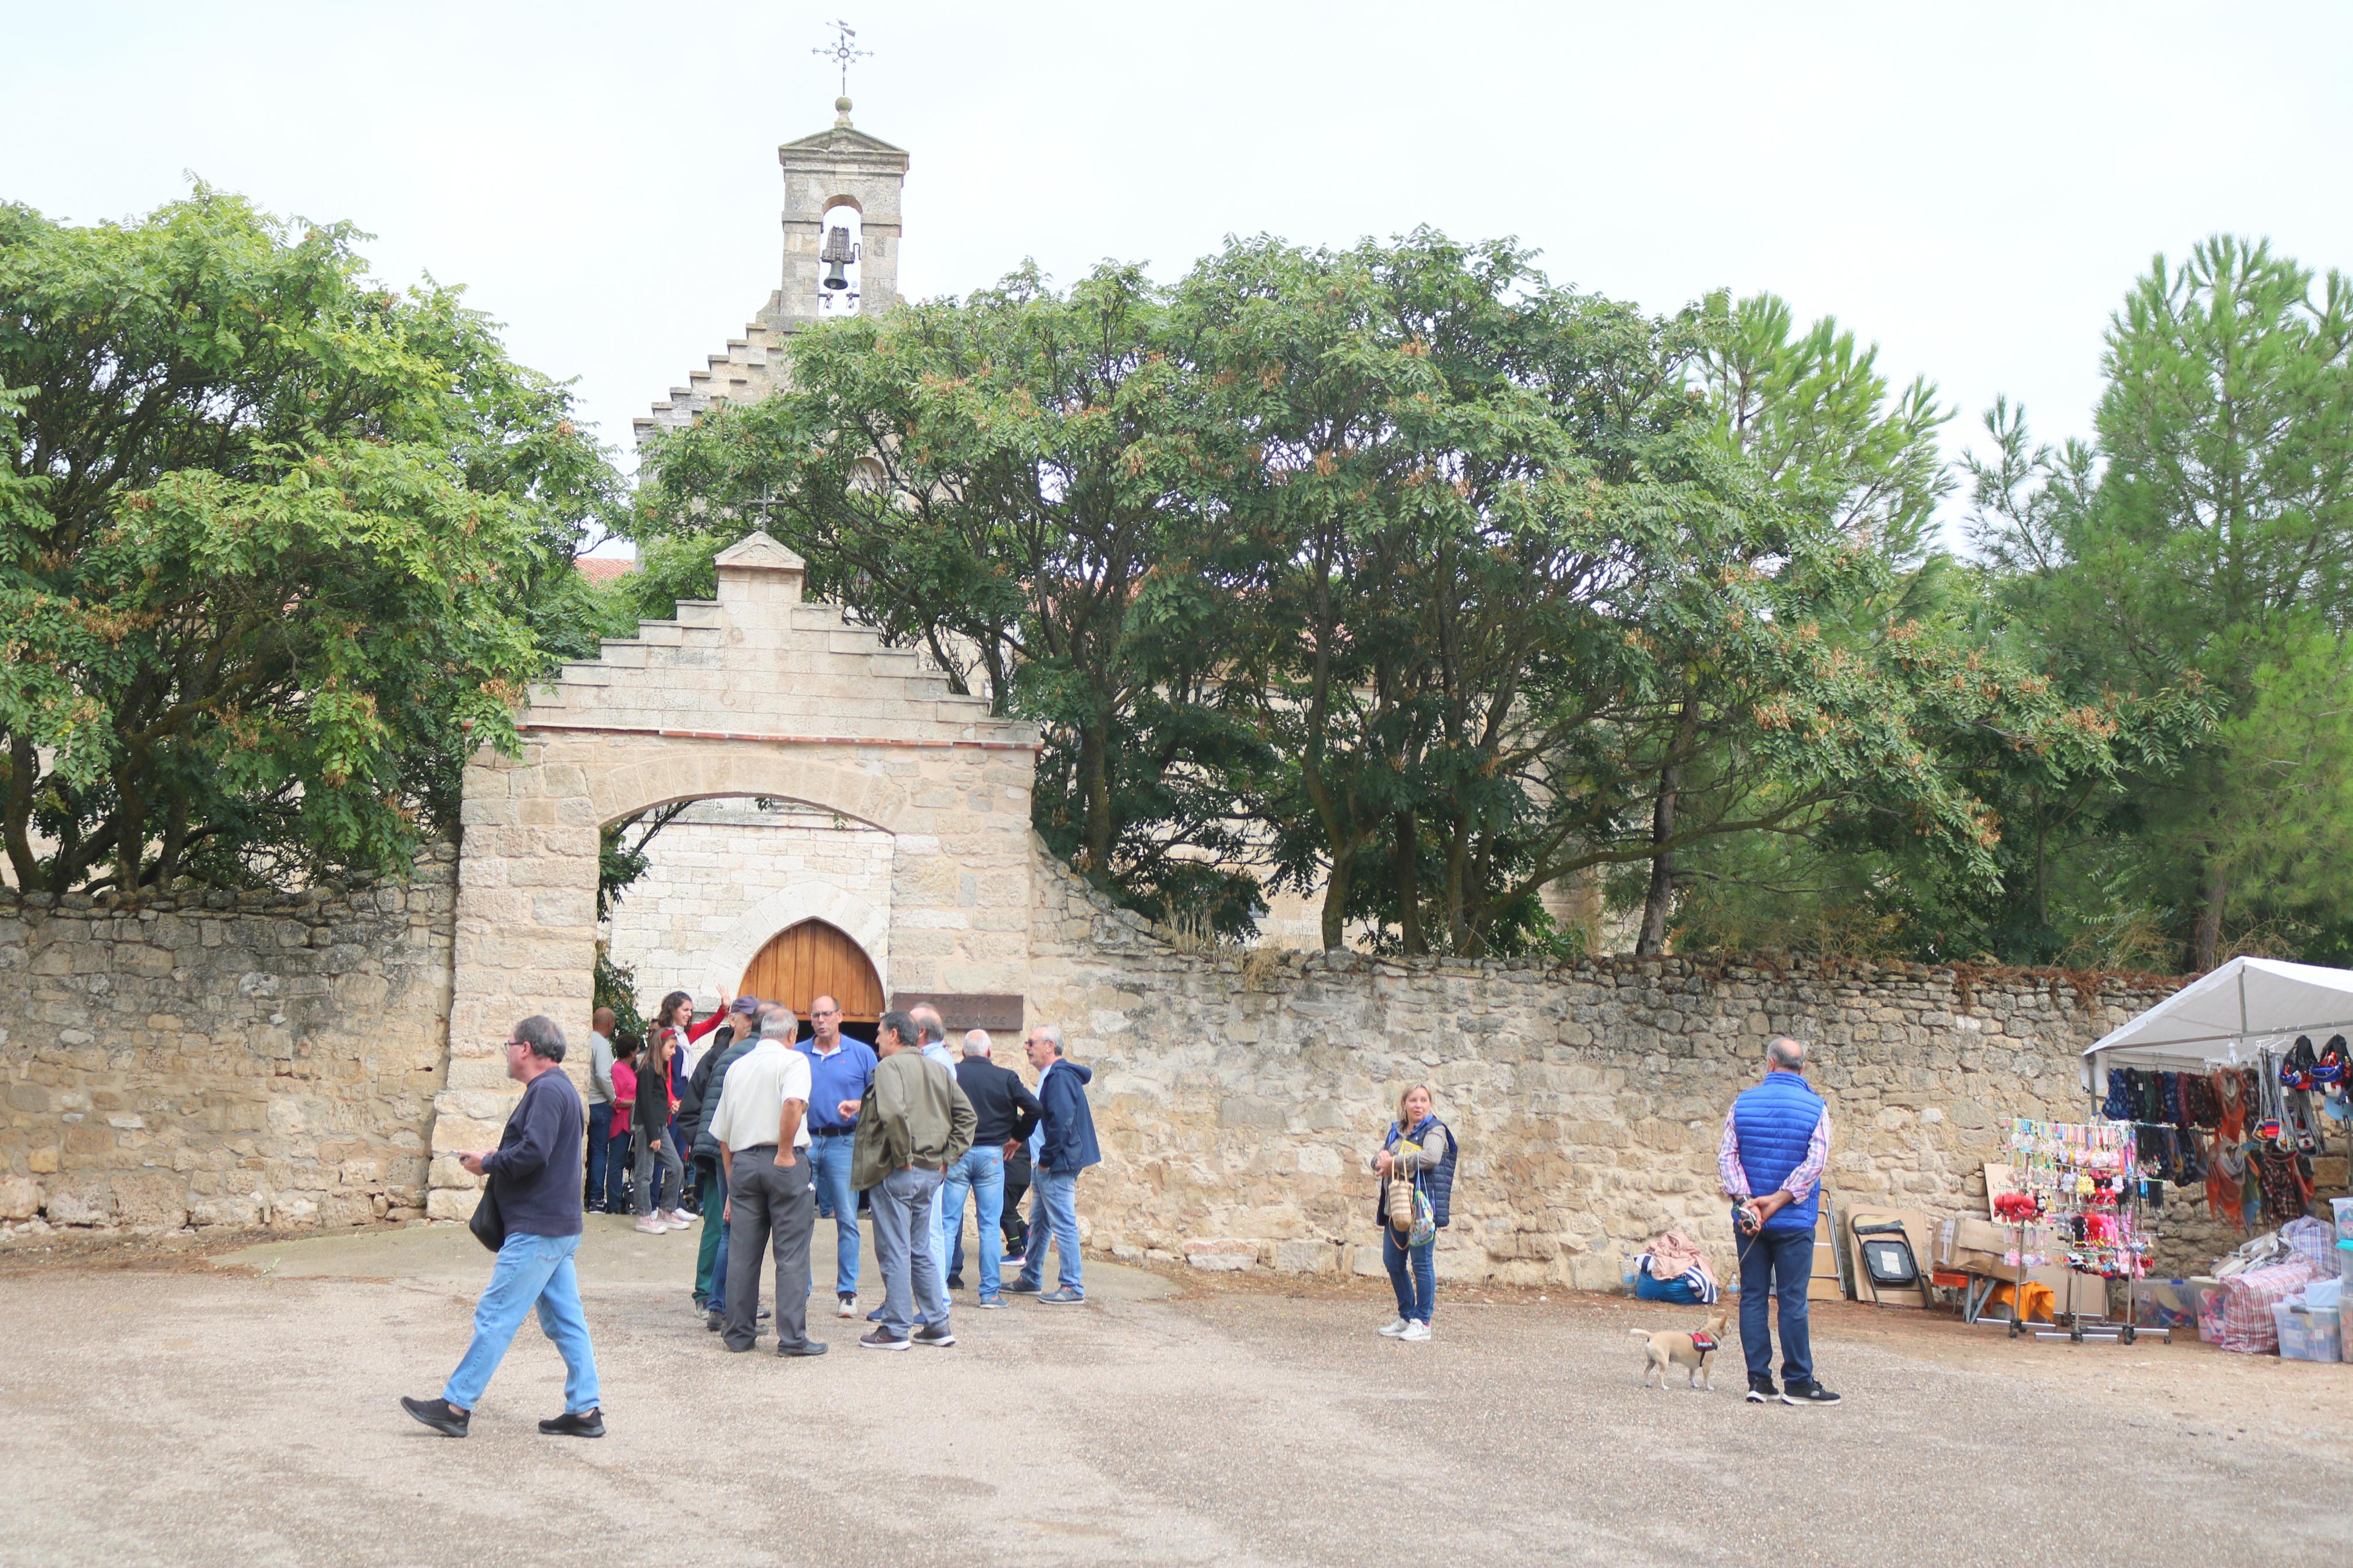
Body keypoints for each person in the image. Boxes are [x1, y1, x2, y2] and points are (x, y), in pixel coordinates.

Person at [402, 1015, 602, 1439]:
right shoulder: (559, 1088)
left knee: (496, 1315)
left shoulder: (547, 1090)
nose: (507, 1052)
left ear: (526, 1048)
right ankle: (585, 1410)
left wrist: (488, 1162)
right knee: (566, 1321)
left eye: (509, 1044)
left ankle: (456, 1406)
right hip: (557, 1226)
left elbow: (534, 1153)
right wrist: (498, 1153)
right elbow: (537, 1151)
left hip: (538, 1229)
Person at [842, 1009, 974, 1349]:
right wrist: (947, 1159)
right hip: (931, 1172)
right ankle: (937, 1324)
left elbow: (893, 1113)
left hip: (900, 1170)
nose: (876, 1039)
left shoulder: (889, 1067)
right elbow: (967, 1117)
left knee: (895, 1249)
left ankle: (896, 1328)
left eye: (880, 1033)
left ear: (895, 1036)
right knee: (920, 1248)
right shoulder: (937, 1068)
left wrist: (903, 1158)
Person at [1720, 1036, 1841, 1406]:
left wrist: (1748, 1203)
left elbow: (1727, 1157)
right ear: (1802, 1068)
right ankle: (1799, 1383)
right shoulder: (1817, 1107)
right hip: (1794, 1220)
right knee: (1792, 1300)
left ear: (1770, 1064)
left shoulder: (1741, 1103)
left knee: (1753, 1298)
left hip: (1749, 1221)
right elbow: (1815, 1163)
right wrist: (1779, 1199)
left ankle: (1759, 1381)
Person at [708, 1007, 826, 1357]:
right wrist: (786, 1152)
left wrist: (731, 1184)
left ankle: (739, 1333)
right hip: (782, 1160)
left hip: (743, 1163)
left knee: (743, 1254)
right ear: (791, 1035)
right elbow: (793, 1102)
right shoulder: (793, 1062)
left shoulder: (737, 1067)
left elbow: (723, 1135)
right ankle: (792, 1339)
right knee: (791, 1253)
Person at [941, 1029, 1039, 1306]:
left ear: (963, 1052)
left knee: (948, 1223)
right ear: (989, 1052)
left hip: (958, 1153)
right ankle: (989, 1293)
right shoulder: (1005, 1078)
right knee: (989, 1226)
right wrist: (1017, 1137)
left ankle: (939, 1291)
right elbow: (1035, 1109)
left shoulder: (952, 1075)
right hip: (993, 1156)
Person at [798, 993, 878, 1319]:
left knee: (847, 1218)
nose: (821, 1020)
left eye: (827, 1014)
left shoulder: (862, 1054)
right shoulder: (798, 1053)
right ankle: (799, 1290)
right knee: (799, 1219)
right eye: (816, 1015)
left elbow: (879, 1097)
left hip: (845, 1142)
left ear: (840, 1016)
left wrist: (860, 1106)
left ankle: (847, 1292)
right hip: (806, 1141)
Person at [1006, 1023, 1098, 1304]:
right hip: (1046, 1163)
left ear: (1050, 1046)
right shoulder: (1052, 1076)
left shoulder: (1059, 1077)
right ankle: (1031, 1276)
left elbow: (1062, 1122)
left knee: (1063, 1223)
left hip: (1054, 1164)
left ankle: (1072, 1286)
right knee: (1041, 1222)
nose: (1027, 1047)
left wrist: (1046, 1160)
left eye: (1031, 1043)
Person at [688, 1004, 766, 1319]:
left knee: (728, 1226)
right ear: (734, 1020)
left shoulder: (741, 1055)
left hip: (723, 1147)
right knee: (721, 1225)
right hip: (721, 1149)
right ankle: (708, 1294)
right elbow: (696, 1105)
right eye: (744, 1017)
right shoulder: (720, 1056)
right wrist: (701, 1144)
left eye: (752, 1018)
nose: (748, 1023)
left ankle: (726, 1297)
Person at [1368, 1083, 1456, 1342]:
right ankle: (1407, 1315)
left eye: (1424, 1100)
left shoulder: (1435, 1129)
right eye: (1414, 1100)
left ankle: (1422, 1321)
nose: (1419, 1105)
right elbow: (1380, 1160)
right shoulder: (1396, 1130)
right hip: (1396, 1206)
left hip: (1422, 1208)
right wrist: (1378, 1162)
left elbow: (1431, 1157)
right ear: (1404, 1104)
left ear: (1430, 1104)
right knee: (1392, 1261)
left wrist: (1393, 1162)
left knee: (1421, 1263)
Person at [907, 1004, 957, 1289]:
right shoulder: (935, 1058)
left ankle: (937, 1300)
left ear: (921, 1032)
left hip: (930, 1158)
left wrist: (942, 1159)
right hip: (931, 1157)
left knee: (931, 1230)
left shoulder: (935, 1062)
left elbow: (942, 1114)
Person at [632, 1025, 690, 1233]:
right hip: (649, 1127)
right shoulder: (648, 1069)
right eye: (672, 1047)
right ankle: (644, 1216)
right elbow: (646, 1103)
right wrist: (654, 1135)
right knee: (645, 1173)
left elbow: (656, 1100)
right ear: (660, 1046)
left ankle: (666, 1210)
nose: (674, 1052)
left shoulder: (659, 1069)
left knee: (676, 1166)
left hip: (659, 1125)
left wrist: (669, 1105)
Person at [585, 1007, 617, 1213]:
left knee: (585, 1152)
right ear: (610, 1024)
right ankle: (595, 1199)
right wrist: (613, 1098)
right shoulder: (602, 1045)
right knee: (598, 1152)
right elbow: (604, 1075)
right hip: (599, 1103)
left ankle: (584, 1195)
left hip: (584, 1101)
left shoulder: (585, 1039)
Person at [606, 1037, 638, 1215]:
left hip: (629, 1122)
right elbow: (615, 1099)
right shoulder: (618, 1069)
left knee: (621, 1163)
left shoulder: (628, 1069)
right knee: (616, 1163)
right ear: (632, 1052)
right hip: (620, 1122)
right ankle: (614, 1203)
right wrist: (635, 1102)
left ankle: (619, 1200)